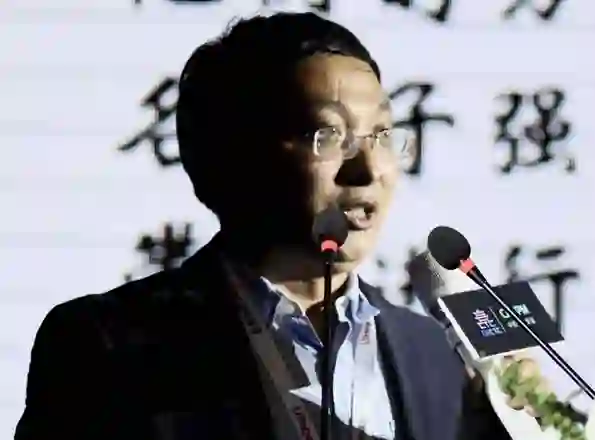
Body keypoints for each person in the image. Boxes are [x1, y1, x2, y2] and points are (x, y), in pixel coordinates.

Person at [15, 12, 549, 440]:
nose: (369, 170)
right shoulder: (109, 344)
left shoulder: (433, 353)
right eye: (330, 136)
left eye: (383, 135)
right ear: (235, 156)